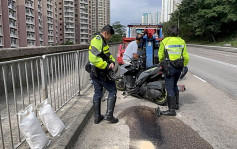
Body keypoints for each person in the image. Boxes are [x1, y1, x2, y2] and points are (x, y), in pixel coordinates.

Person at [88, 24, 118, 124]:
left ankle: (97, 117)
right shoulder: (97, 40)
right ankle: (109, 115)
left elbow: (108, 55)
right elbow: (94, 59)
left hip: (96, 72)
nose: (110, 38)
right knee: (112, 90)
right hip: (101, 72)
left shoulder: (102, 42)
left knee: (98, 92)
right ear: (105, 33)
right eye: (110, 36)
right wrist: (106, 66)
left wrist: (112, 62)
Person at [158, 25, 189, 116]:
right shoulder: (182, 41)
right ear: (177, 32)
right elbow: (186, 56)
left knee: (169, 87)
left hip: (169, 67)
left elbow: (161, 55)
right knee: (175, 84)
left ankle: (171, 110)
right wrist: (184, 65)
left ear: (169, 32)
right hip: (179, 67)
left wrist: (161, 62)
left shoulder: (165, 41)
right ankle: (176, 105)